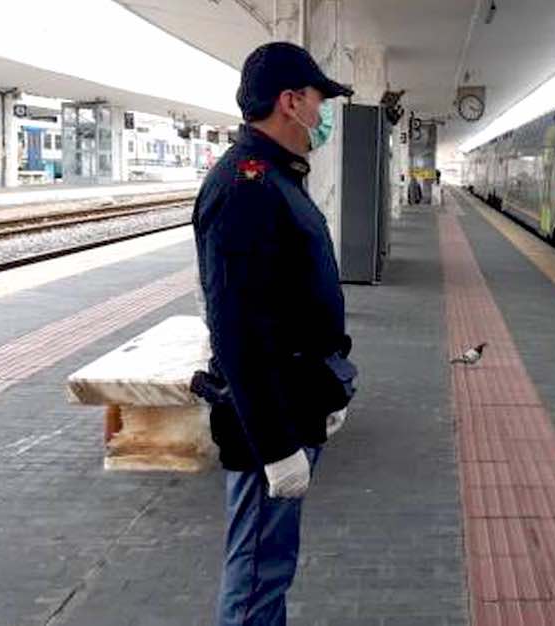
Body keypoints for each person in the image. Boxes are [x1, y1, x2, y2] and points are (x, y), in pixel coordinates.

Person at [191, 41, 357, 625]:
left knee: (272, 564)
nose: (323, 113)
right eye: (319, 99)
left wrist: (329, 387)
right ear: (290, 101)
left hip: (295, 402)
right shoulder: (246, 187)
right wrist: (278, 447)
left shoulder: (278, 178)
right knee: (258, 570)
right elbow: (237, 333)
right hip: (272, 422)